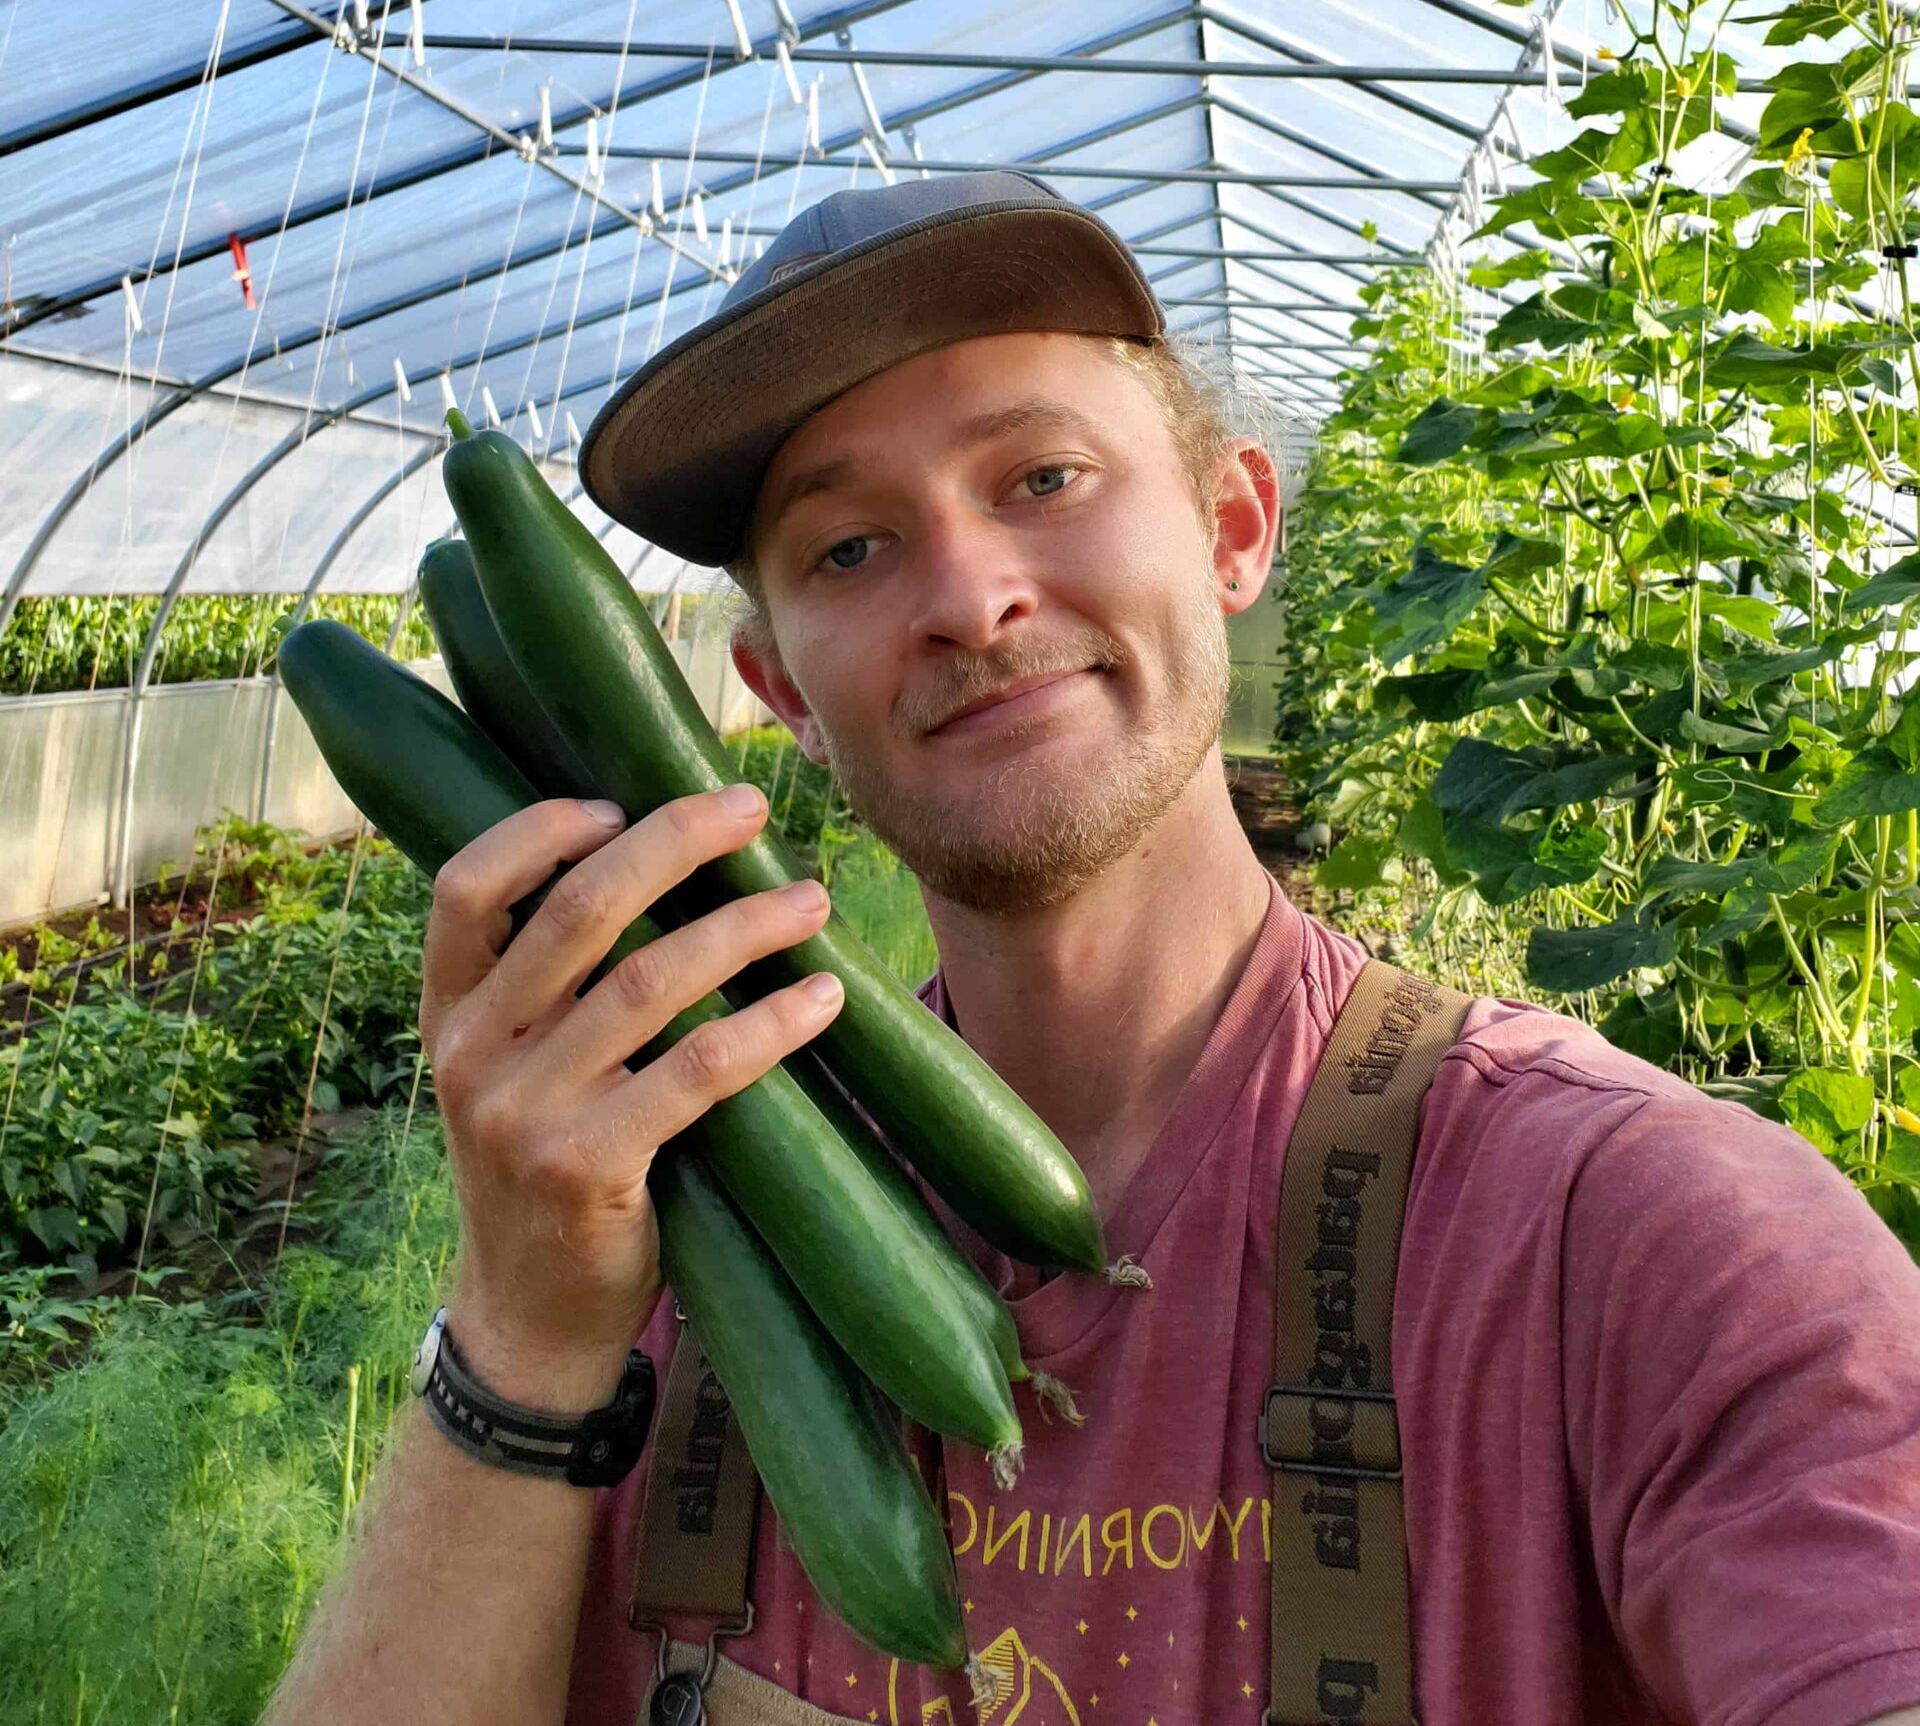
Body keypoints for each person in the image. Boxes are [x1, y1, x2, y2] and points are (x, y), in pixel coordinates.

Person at [267, 171, 1920, 1726]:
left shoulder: (1641, 1241)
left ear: (1233, 530)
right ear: (779, 696)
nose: (970, 596)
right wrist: (525, 1335)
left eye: (1042, 479)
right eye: (851, 547)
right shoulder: (628, 1261)